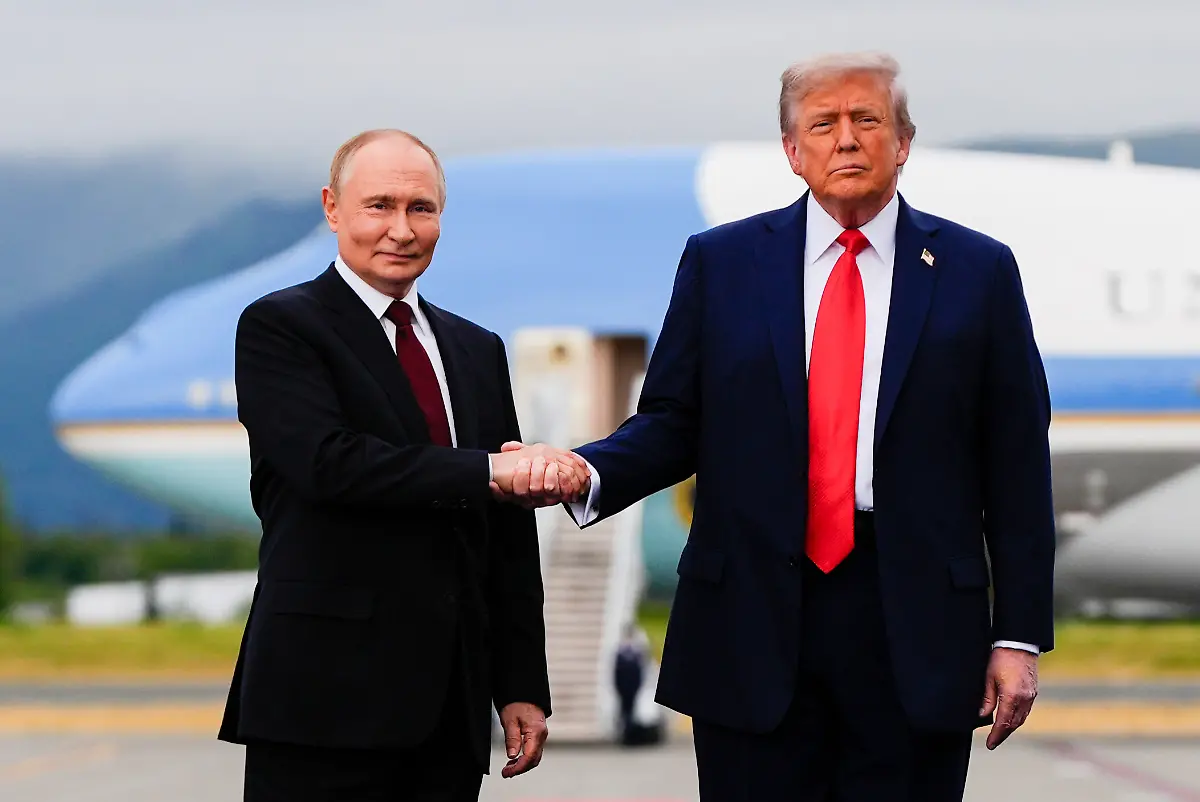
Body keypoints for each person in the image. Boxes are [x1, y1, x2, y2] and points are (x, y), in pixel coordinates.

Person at [501, 52, 1055, 801]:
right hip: (749, 619)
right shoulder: (720, 263)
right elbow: (673, 422)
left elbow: (1017, 465)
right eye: (823, 124)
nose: (847, 139)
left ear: (905, 140)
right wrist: (586, 469)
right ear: (793, 152)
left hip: (916, 626)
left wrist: (1016, 636)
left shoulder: (977, 271)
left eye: (868, 119)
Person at [218, 129, 585, 802]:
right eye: (379, 205)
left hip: (448, 710)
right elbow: (330, 466)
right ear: (332, 208)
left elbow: (503, 538)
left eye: (421, 208)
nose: (402, 229)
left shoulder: (477, 350)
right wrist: (487, 471)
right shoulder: (280, 328)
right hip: (321, 703)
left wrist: (522, 684)